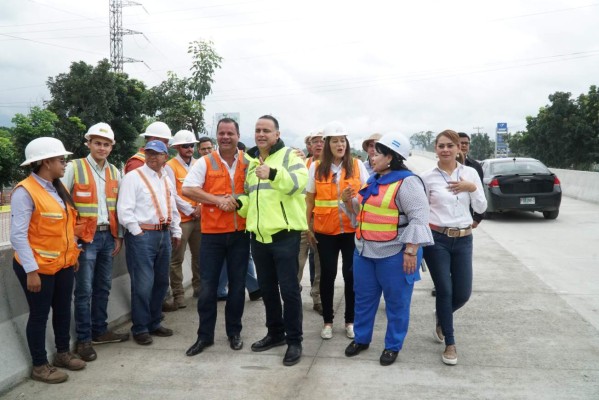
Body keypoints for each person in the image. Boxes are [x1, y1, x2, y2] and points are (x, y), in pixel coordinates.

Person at [340, 134, 433, 366]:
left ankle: (392, 345)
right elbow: (364, 213)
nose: (371, 157)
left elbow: (419, 219)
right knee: (363, 299)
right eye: (371, 152)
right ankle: (361, 339)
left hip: (395, 253)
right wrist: (347, 201)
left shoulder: (408, 182)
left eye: (376, 153)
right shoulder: (373, 180)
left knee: (396, 302)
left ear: (391, 157)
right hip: (364, 251)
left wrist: (411, 251)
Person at [10, 137, 86, 384]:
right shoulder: (25, 191)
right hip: (37, 268)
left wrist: (72, 254)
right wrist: (31, 271)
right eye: (60, 160)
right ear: (45, 162)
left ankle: (62, 354)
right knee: (39, 315)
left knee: (63, 310)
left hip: (62, 265)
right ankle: (40, 365)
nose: (65, 164)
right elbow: (18, 235)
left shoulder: (56, 188)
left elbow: (65, 228)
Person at [237, 115, 308, 367]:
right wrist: (238, 204)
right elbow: (251, 198)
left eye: (266, 130)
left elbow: (300, 184)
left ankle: (294, 340)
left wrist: (274, 173)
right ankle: (275, 333)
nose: (261, 134)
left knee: (289, 291)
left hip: (285, 237)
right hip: (259, 238)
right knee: (267, 290)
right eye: (257, 130)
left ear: (277, 134)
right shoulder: (253, 162)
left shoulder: (290, 156)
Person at [61, 123, 129, 363]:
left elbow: (117, 206)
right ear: (88, 143)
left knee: (103, 287)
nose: (102, 147)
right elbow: (63, 204)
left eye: (106, 144)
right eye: (97, 143)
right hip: (85, 239)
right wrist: (71, 239)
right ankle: (84, 339)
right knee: (84, 291)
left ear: (112, 147)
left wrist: (118, 235)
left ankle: (100, 330)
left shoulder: (114, 172)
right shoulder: (74, 168)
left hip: (107, 237)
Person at [183, 118, 250, 356]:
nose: (225, 137)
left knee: (237, 286)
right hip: (212, 235)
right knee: (208, 288)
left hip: (240, 234)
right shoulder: (205, 162)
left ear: (238, 136)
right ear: (216, 136)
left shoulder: (248, 163)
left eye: (230, 133)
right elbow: (188, 189)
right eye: (221, 133)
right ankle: (204, 336)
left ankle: (234, 332)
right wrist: (217, 200)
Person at [421, 129, 487, 365]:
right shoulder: (427, 177)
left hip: (464, 239)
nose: (446, 149)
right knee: (445, 290)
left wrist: (472, 188)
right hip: (437, 240)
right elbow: (421, 210)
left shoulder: (470, 173)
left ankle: (441, 315)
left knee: (463, 293)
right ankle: (450, 343)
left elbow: (481, 206)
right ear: (435, 149)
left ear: (459, 148)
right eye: (441, 145)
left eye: (451, 145)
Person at [305, 121, 369, 340]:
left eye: (343, 140)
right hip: (325, 231)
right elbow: (310, 200)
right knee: (327, 275)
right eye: (335, 141)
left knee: (351, 277)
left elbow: (367, 196)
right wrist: (308, 227)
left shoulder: (357, 166)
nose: (340, 144)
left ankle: (350, 321)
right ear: (327, 144)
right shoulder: (315, 167)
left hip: (351, 230)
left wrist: (354, 199)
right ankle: (328, 322)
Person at [117, 140, 182, 345]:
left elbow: (172, 206)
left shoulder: (165, 179)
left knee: (161, 282)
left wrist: (175, 229)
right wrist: (137, 233)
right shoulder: (133, 178)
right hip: (143, 236)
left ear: (166, 157)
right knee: (143, 284)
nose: (153, 157)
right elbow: (124, 209)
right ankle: (140, 327)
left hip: (164, 235)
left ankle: (154, 322)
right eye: (149, 153)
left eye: (157, 154)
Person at [159, 130, 202, 310]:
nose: (189, 149)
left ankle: (200, 289)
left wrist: (200, 205)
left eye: (191, 145)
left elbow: (203, 186)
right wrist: (191, 209)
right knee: (176, 258)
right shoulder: (170, 166)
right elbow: (172, 193)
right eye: (185, 146)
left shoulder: (199, 163)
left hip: (200, 216)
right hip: (182, 220)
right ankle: (178, 294)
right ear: (177, 147)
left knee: (200, 256)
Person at [298, 131, 324, 314]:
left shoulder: (331, 168)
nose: (319, 144)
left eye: (323, 141)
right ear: (309, 145)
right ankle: (291, 297)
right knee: (296, 262)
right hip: (301, 220)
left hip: (322, 221)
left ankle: (318, 298)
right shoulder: (302, 164)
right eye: (315, 141)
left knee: (321, 264)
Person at [457, 132, 484, 228]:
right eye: (461, 143)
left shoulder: (475, 166)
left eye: (466, 143)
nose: (464, 145)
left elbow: (481, 192)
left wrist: (477, 218)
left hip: (467, 214)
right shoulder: (447, 164)